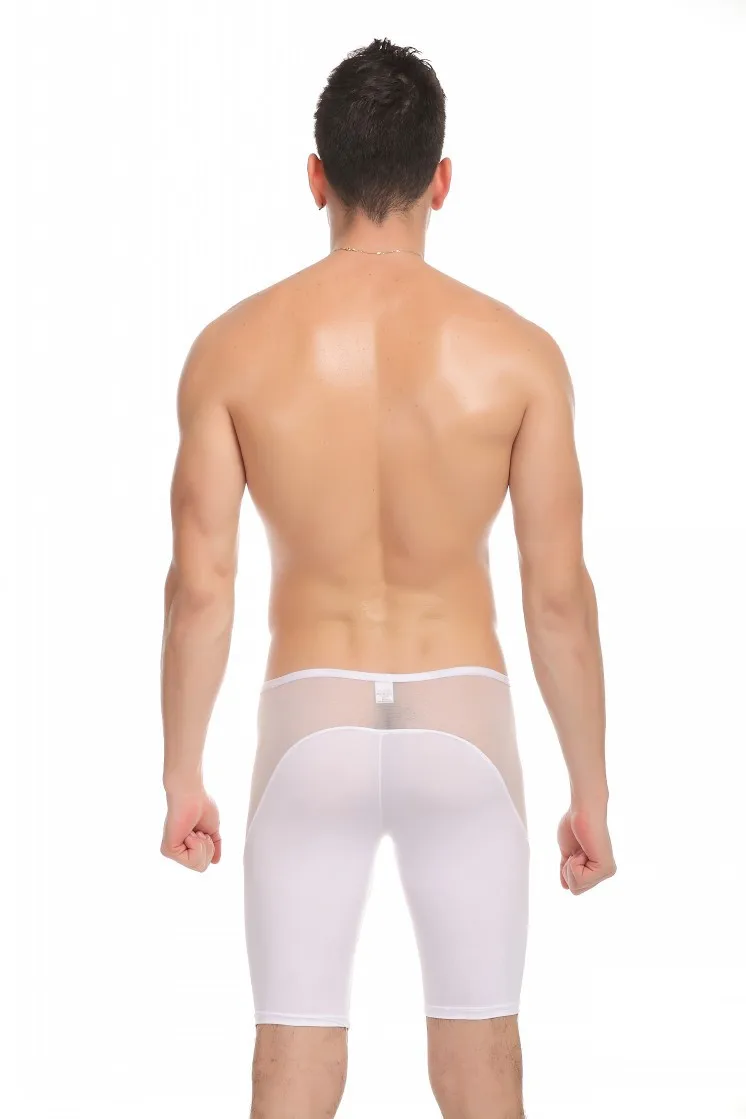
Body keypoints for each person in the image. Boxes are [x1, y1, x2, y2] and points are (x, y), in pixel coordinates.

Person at [159, 36, 616, 1119]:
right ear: (440, 180)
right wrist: (589, 790)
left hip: (306, 718)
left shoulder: (230, 349)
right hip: (463, 717)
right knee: (482, 1063)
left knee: (292, 1064)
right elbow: (556, 595)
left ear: (315, 177)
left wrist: (182, 774)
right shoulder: (519, 355)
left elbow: (201, 584)